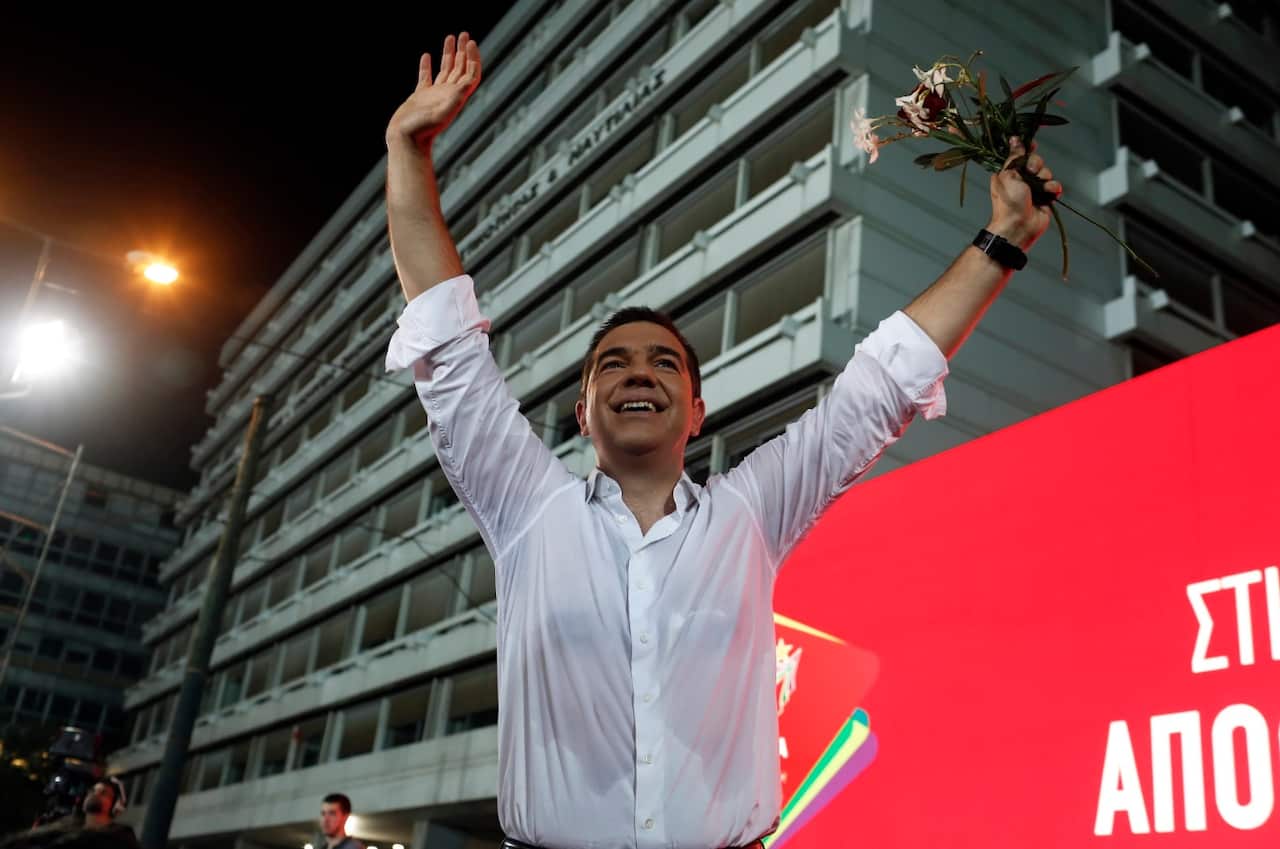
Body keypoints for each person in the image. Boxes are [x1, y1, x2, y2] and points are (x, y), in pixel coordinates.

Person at [383, 33, 1060, 849]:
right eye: (614, 365)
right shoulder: (526, 508)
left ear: (696, 412)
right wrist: (408, 151)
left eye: (664, 362)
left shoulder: (749, 513)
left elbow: (877, 387)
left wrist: (1005, 240)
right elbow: (450, 346)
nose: (640, 374)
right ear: (582, 409)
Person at [0, 778, 139, 849]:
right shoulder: (64, 825)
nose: (95, 794)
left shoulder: (121, 840)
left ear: (116, 806)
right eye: (93, 791)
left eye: (103, 793)